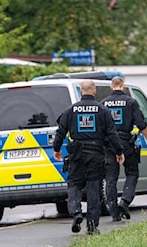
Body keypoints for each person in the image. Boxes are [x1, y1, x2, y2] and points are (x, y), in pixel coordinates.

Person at [53, 80, 124, 235]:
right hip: (96, 153)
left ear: (81, 92)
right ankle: (92, 226)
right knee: (93, 188)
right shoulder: (102, 110)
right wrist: (119, 151)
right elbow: (112, 133)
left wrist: (57, 149)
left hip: (77, 154)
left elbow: (60, 131)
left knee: (74, 184)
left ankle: (76, 211)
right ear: (94, 91)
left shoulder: (71, 110)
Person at [101, 77, 147, 221]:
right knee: (132, 173)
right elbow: (141, 124)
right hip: (125, 142)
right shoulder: (131, 102)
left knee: (110, 178)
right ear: (122, 86)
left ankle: (114, 212)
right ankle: (124, 201)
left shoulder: (103, 103)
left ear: (112, 87)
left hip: (109, 143)